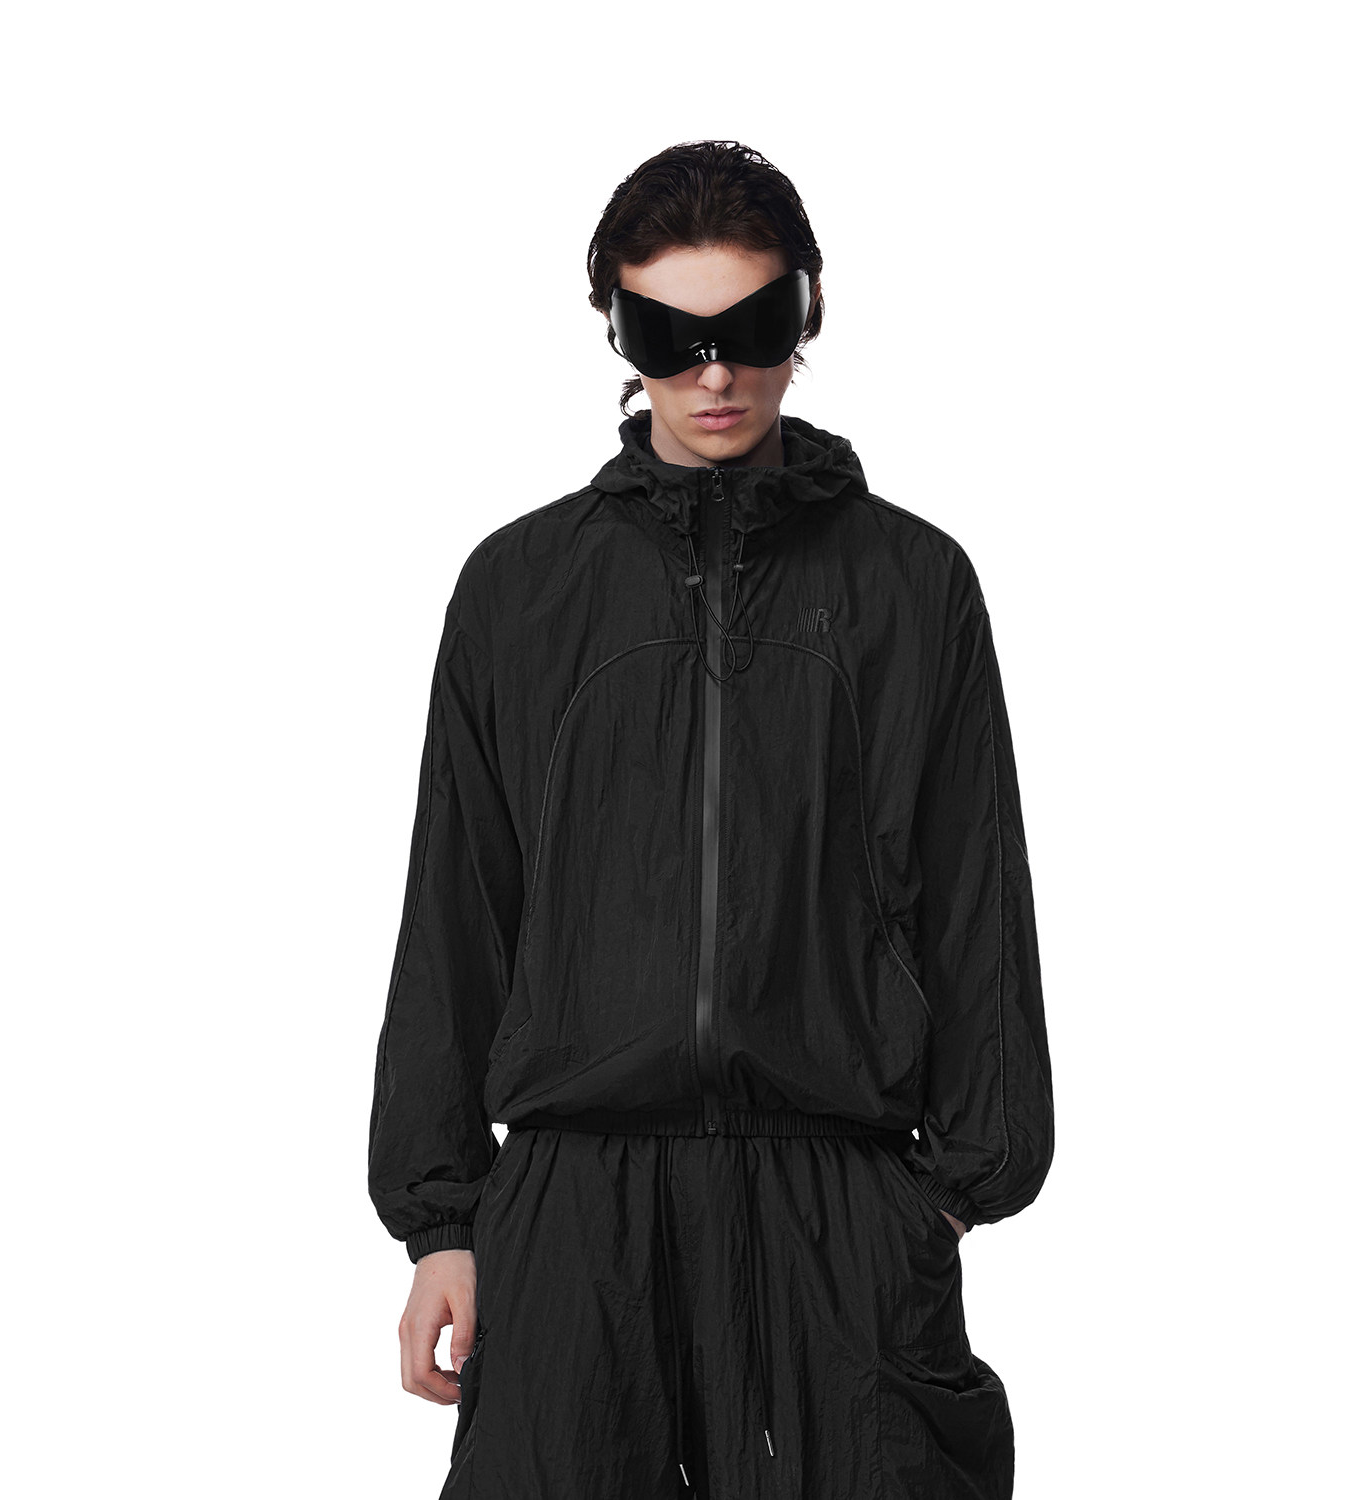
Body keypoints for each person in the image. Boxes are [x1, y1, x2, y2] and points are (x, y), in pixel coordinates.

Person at [368, 139, 1055, 1500]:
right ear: (614, 332)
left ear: (809, 313)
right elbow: (458, 910)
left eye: (751, 327)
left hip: (838, 1204)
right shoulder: (520, 590)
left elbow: (980, 898)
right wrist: (441, 1218)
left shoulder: (913, 586)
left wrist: (946, 1194)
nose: (715, 374)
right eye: (668, 338)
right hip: (575, 1213)